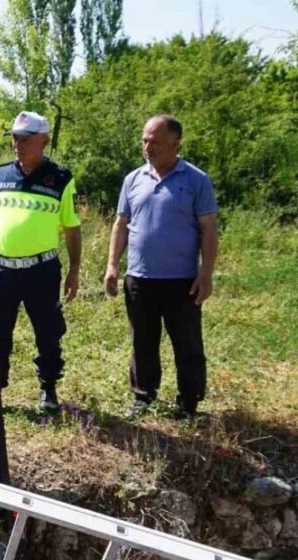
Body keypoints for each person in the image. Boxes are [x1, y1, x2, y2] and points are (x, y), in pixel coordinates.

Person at [104, 114, 219, 419]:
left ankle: (189, 402)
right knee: (143, 340)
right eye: (144, 140)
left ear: (175, 143)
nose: (147, 147)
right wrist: (112, 265)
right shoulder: (133, 179)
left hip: (182, 281)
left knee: (187, 342)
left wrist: (205, 273)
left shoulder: (196, 180)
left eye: (154, 141)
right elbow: (121, 224)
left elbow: (209, 229)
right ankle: (143, 397)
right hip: (140, 278)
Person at [0, 111, 81, 413]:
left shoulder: (60, 179)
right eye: (15, 138)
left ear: (43, 141)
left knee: (48, 330)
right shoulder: (1, 175)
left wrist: (74, 270)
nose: (17, 144)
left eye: (25, 139)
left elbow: (71, 227)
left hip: (41, 271)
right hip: (0, 269)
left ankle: (49, 389)